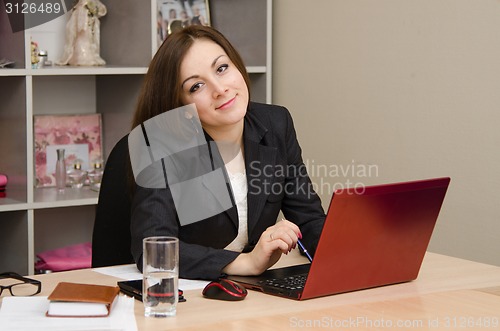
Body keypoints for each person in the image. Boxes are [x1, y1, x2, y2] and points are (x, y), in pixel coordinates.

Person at [129, 25, 325, 280]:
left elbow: (309, 220)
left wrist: (355, 256)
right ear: (179, 104)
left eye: (222, 68)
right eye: (196, 86)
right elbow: (153, 250)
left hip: (252, 292)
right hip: (183, 294)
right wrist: (245, 263)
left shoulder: (277, 123)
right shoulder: (159, 144)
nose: (220, 89)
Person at [57, 0, 107, 66]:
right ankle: (77, 57)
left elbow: (102, 10)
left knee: (86, 38)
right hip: (79, 18)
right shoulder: (78, 5)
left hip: (86, 20)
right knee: (79, 38)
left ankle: (86, 57)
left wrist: (92, 10)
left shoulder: (91, 2)